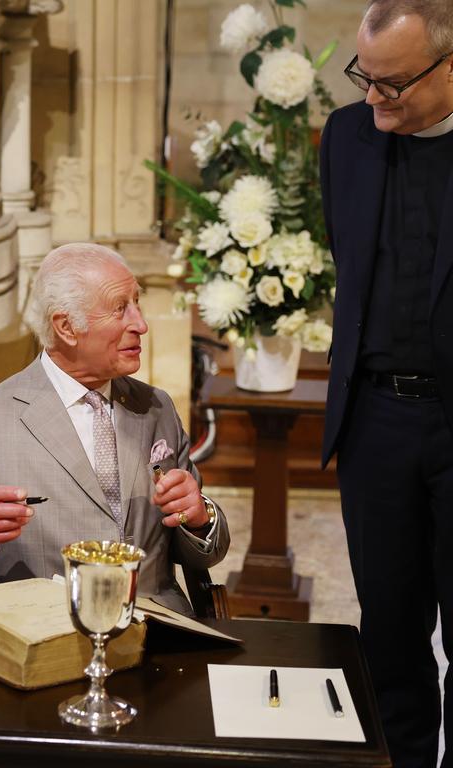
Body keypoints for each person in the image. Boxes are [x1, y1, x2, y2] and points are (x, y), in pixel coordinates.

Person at [0, 243, 229, 616]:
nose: (141, 324)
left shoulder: (157, 407)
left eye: (137, 302)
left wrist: (198, 517)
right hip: (46, 634)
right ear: (66, 327)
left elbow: (205, 551)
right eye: (120, 309)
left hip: (158, 631)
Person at [320, 2, 453, 764]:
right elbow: (351, 262)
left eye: (393, 86)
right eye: (364, 79)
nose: (374, 100)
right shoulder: (346, 138)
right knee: (390, 634)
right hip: (375, 419)